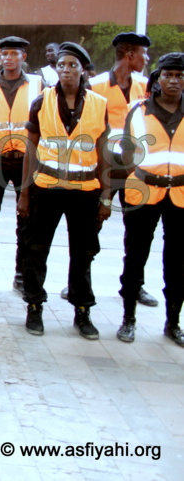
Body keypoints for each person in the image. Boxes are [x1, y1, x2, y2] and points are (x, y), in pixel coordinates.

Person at [17, 42, 110, 339]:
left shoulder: (99, 103)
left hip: (85, 192)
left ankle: (82, 311)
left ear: (83, 69)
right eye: (61, 65)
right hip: (46, 187)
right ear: (55, 69)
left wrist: (106, 196)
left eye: (72, 65)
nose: (66, 70)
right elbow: (30, 149)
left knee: (83, 253)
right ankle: (34, 306)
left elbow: (104, 153)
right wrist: (25, 192)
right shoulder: (41, 101)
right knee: (36, 249)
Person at [117, 53, 184, 346]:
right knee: (135, 256)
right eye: (168, 74)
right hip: (143, 191)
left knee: (178, 262)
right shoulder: (138, 111)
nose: (174, 80)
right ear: (157, 80)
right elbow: (126, 151)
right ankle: (128, 318)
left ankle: (173, 322)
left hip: (181, 194)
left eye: (180, 75)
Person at [90, 32, 157, 308]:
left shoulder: (146, 86)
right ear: (130, 55)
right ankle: (78, 283)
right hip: (102, 167)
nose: (147, 59)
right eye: (144, 53)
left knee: (137, 233)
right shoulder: (94, 85)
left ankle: (134, 285)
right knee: (89, 227)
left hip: (134, 170)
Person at [0, 36, 44, 292]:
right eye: (4, 54)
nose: (9, 58)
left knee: (26, 219)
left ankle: (21, 273)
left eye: (14, 54)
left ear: (23, 57)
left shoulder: (39, 83)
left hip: (27, 160)